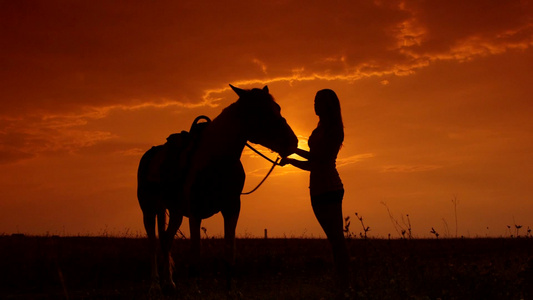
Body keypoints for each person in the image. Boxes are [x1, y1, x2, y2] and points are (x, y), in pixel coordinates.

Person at [280, 89, 351, 296]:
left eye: (317, 101)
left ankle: (344, 282)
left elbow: (318, 161)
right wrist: (292, 155)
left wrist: (293, 155)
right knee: (334, 239)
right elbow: (314, 159)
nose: (314, 105)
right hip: (318, 189)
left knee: (337, 238)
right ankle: (342, 281)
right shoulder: (322, 128)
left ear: (327, 105)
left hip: (329, 188)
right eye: (314, 101)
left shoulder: (334, 129)